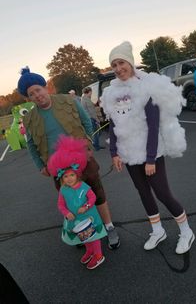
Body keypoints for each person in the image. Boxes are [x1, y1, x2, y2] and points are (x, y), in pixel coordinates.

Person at [100, 41, 195, 254]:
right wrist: (114, 153)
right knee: (143, 192)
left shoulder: (145, 87)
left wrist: (151, 158)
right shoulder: (111, 93)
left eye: (121, 62)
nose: (118, 68)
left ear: (130, 63)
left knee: (163, 193)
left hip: (151, 153)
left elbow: (153, 127)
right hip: (129, 154)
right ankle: (157, 230)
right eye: (114, 64)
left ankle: (186, 231)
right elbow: (113, 125)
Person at [17, 67, 120, 250]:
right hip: (59, 170)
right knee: (71, 202)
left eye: (38, 90)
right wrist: (40, 165)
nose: (37, 95)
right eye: (31, 94)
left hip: (83, 161)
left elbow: (86, 122)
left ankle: (109, 227)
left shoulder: (68, 101)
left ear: (45, 87)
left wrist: (88, 146)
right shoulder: (30, 119)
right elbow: (32, 145)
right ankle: (81, 232)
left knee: (97, 194)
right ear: (29, 98)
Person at [47, 135, 106, 269]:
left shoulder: (84, 187)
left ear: (77, 174)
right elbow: (60, 204)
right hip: (75, 218)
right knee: (83, 236)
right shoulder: (63, 190)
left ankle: (98, 255)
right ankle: (90, 251)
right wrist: (66, 212)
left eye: (72, 175)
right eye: (66, 176)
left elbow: (93, 198)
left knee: (93, 235)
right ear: (62, 177)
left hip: (89, 216)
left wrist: (86, 207)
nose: (69, 179)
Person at [81, 86, 105, 151]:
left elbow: (92, 106)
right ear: (89, 92)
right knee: (97, 133)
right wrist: (97, 119)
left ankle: (94, 144)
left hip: (88, 118)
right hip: (91, 118)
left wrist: (97, 103)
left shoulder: (84, 99)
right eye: (91, 92)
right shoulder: (87, 100)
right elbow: (92, 112)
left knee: (95, 133)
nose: (91, 93)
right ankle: (96, 147)